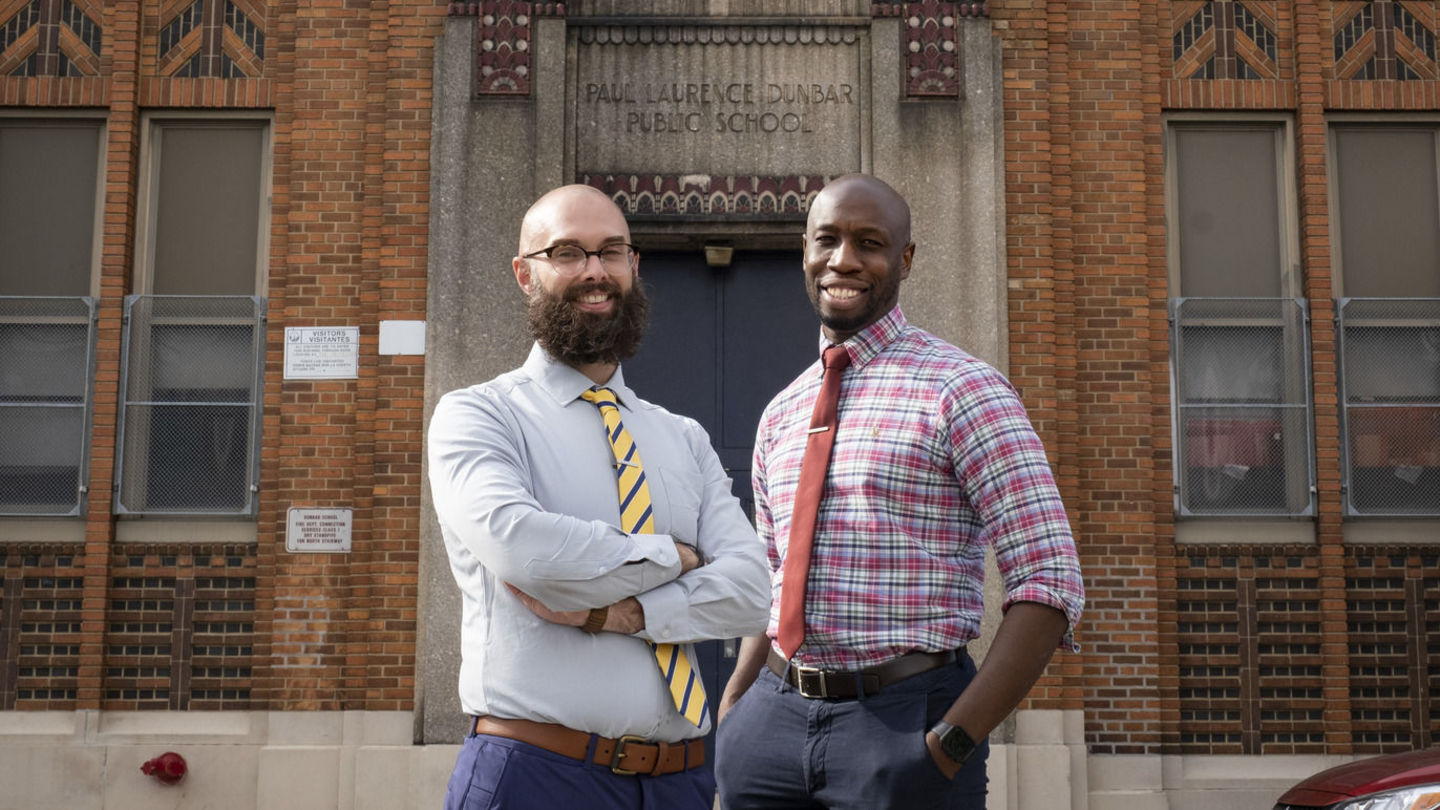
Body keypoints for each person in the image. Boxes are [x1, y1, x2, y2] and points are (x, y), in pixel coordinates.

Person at [713, 174, 1085, 809]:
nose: (845, 259)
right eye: (827, 239)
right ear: (804, 251)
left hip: (904, 725)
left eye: (870, 242)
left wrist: (949, 745)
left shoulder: (964, 390)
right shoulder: (782, 411)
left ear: (905, 260)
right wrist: (733, 715)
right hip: (768, 729)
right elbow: (771, 577)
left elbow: (1049, 582)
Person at [429, 184, 771, 810]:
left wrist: (626, 614)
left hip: (683, 782)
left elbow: (752, 593)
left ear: (634, 268)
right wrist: (677, 556)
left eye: (611, 251)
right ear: (523, 273)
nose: (594, 271)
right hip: (537, 775)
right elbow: (528, 555)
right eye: (567, 252)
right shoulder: (478, 416)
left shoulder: (682, 437)